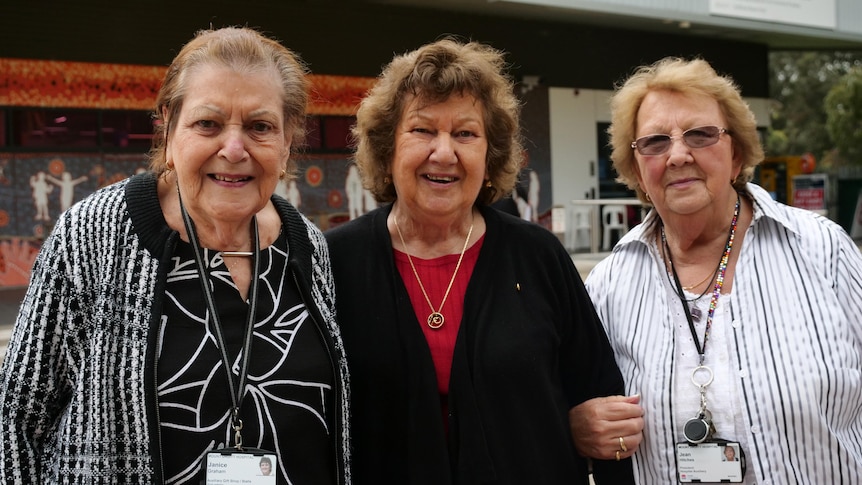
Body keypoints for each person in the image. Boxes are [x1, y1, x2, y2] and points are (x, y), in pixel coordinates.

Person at [0, 27, 350, 484]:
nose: (234, 148)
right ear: (168, 127)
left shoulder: (307, 245)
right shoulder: (91, 235)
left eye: (260, 127)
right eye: (208, 124)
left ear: (287, 143)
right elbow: (17, 419)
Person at [325, 37, 639, 484]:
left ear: (489, 157)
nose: (444, 152)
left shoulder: (537, 256)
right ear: (387, 147)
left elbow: (601, 403)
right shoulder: (335, 262)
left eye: (465, 134)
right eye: (422, 130)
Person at [585, 56, 862, 484]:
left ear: (736, 155)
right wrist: (580, 425)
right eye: (655, 142)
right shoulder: (609, 284)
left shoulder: (823, 250)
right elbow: (582, 405)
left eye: (700, 134)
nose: (677, 155)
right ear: (638, 170)